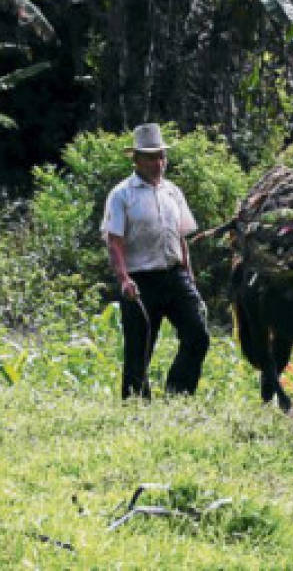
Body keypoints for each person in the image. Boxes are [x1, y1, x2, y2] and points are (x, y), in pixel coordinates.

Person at [101, 123, 210, 399]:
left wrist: (189, 274)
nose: (157, 163)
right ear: (136, 160)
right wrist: (123, 278)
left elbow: (181, 237)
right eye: (150, 157)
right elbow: (114, 241)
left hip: (174, 275)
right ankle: (136, 402)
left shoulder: (173, 192)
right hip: (140, 278)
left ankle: (178, 392)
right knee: (139, 347)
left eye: (160, 156)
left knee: (198, 335)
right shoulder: (122, 194)